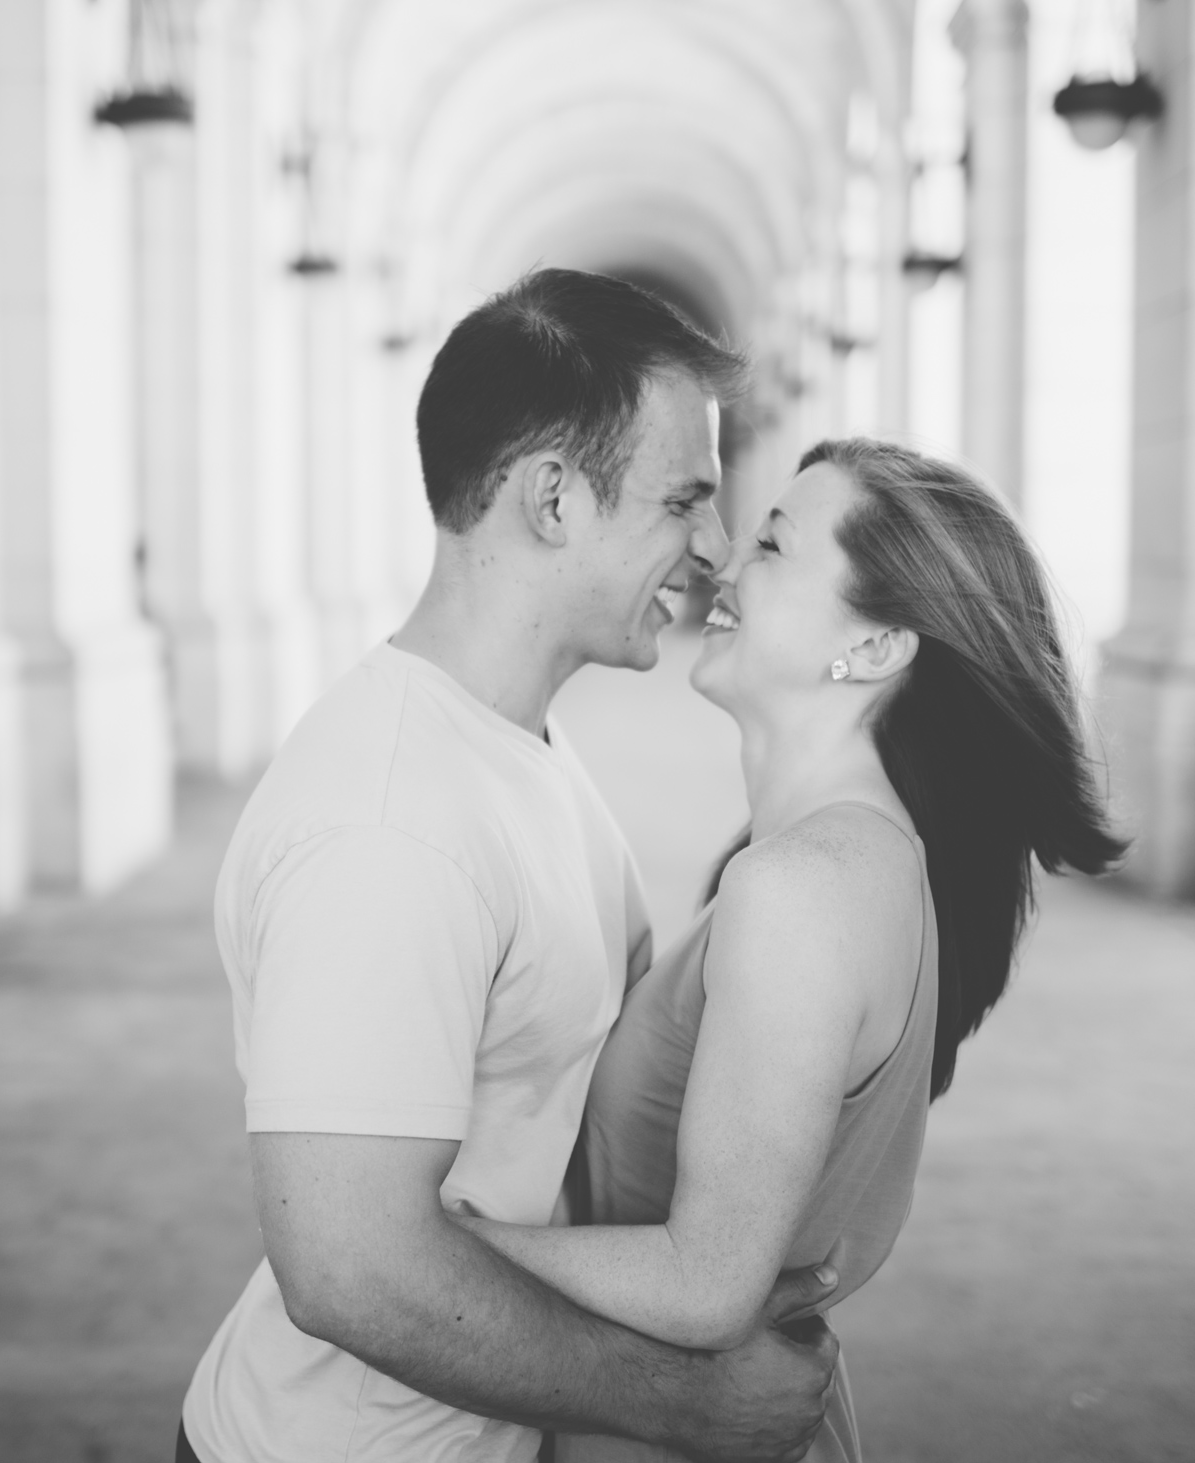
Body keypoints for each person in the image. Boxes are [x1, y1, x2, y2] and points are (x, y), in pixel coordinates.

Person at [177, 268, 843, 1463]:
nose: (710, 546)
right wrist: (682, 1402)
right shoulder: (388, 829)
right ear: (550, 499)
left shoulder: (513, 738)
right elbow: (347, 1268)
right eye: (683, 498)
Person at [448, 438, 1127, 1461]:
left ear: (875, 646)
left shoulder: (802, 891)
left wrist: (443, 1246)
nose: (723, 565)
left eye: (772, 544)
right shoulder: (852, 864)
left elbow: (705, 1282)